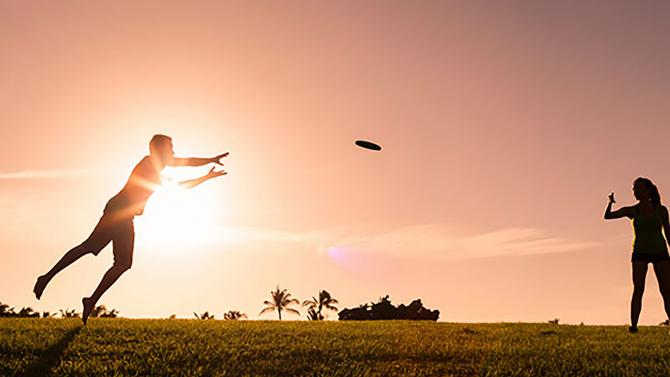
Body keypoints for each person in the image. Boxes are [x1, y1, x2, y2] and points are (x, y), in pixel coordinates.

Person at [33, 134, 228, 324]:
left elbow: (187, 162)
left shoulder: (157, 166)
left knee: (122, 263)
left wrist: (209, 161)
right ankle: (48, 278)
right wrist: (206, 176)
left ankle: (90, 300)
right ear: (160, 150)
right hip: (118, 213)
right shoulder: (149, 167)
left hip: (126, 216)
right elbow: (179, 183)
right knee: (90, 248)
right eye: (171, 148)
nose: (174, 152)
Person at [604, 177, 670, 333]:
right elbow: (608, 216)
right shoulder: (633, 210)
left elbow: (668, 232)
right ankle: (633, 326)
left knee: (666, 290)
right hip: (640, 253)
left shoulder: (661, 210)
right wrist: (610, 203)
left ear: (648, 190)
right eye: (634, 189)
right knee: (638, 289)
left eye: (638, 188)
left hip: (660, 252)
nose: (635, 191)